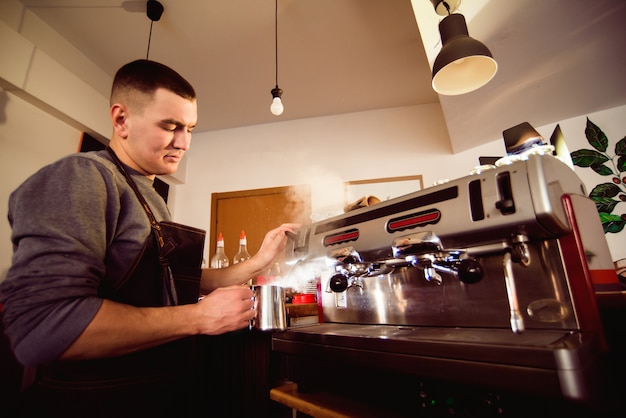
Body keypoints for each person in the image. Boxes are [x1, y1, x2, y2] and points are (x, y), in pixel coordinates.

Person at [0, 59, 299, 417]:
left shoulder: (150, 193)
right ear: (121, 119)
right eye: (170, 126)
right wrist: (200, 318)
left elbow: (168, 279)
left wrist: (261, 259)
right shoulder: (82, 177)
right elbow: (45, 326)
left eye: (189, 128)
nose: (184, 142)